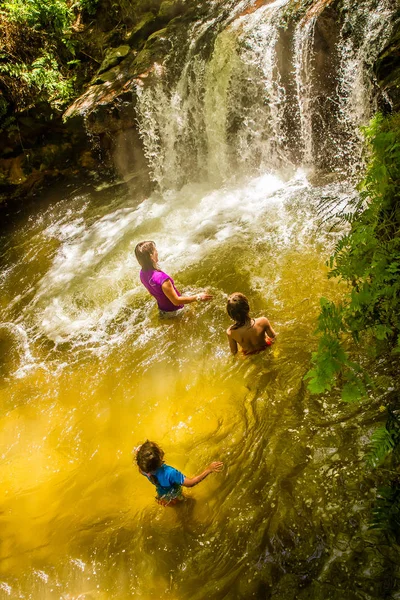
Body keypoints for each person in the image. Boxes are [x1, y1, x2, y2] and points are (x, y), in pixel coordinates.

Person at [135, 440, 224, 506]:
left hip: (162, 496)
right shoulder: (169, 473)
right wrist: (208, 469)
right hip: (174, 497)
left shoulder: (144, 470)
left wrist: (140, 453)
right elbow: (191, 483)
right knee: (190, 502)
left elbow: (143, 461)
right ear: (160, 457)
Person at [135, 241, 212, 316]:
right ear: (151, 256)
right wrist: (198, 297)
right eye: (155, 250)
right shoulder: (162, 278)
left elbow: (152, 292)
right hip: (176, 312)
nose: (157, 252)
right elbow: (176, 301)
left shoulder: (142, 274)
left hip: (162, 311)